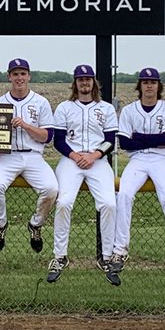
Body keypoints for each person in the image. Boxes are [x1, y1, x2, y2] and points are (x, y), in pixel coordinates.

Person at [108, 68, 165, 286]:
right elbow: (125, 143)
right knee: (124, 195)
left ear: (158, 86)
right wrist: (155, 140)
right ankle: (120, 251)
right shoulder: (130, 110)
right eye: (145, 82)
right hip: (137, 160)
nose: (149, 85)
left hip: (162, 159)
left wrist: (139, 136)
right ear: (139, 86)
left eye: (153, 82)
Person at [48, 64, 117, 283]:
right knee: (64, 203)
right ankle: (59, 256)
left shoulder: (105, 108)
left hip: (97, 160)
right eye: (81, 79)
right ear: (75, 83)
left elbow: (111, 140)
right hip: (71, 159)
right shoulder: (65, 107)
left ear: (93, 82)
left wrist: (94, 155)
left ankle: (107, 258)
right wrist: (76, 156)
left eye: (88, 79)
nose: (85, 82)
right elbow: (58, 140)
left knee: (109, 204)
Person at [0, 58, 59, 257]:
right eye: (15, 74)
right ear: (9, 76)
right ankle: (0, 225)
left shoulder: (40, 102)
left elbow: (47, 136)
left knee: (51, 189)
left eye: (23, 73)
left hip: (33, 155)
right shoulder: (0, 103)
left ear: (29, 76)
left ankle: (36, 224)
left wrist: (25, 125)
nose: (19, 77)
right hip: (8, 157)